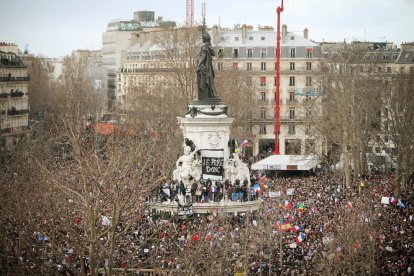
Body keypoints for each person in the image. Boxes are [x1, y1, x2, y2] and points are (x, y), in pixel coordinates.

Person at [196, 32, 216, 100]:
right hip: (208, 66)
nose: (202, 39)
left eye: (202, 38)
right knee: (210, 80)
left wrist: (198, 65)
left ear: (204, 39)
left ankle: (209, 94)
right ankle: (211, 93)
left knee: (207, 80)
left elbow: (203, 57)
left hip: (205, 67)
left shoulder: (204, 46)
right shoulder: (209, 46)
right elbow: (213, 53)